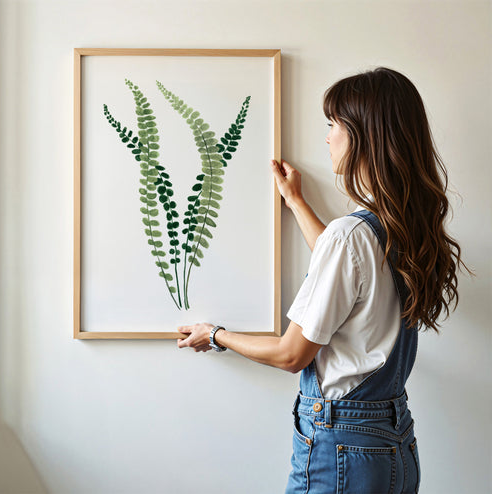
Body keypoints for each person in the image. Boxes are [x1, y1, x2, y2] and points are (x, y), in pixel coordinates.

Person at [176, 67, 467, 493]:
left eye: (333, 125)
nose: (327, 136)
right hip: (394, 444)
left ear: (362, 136)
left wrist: (215, 334)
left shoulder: (351, 237)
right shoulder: (402, 227)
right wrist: (296, 202)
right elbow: (348, 271)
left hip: (343, 448)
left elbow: (291, 354)